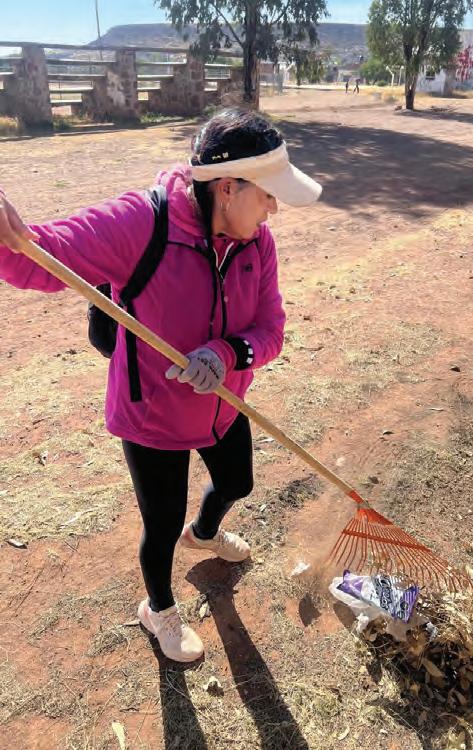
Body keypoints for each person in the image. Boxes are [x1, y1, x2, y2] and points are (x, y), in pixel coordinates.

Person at [0, 108, 322, 663]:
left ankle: (206, 534)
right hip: (153, 417)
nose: (274, 208)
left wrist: (226, 354)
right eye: (268, 194)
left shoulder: (256, 243)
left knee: (238, 483)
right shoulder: (143, 222)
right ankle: (159, 609)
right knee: (162, 522)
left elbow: (271, 329)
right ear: (227, 188)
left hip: (222, 404)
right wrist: (6, 236)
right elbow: (35, 255)